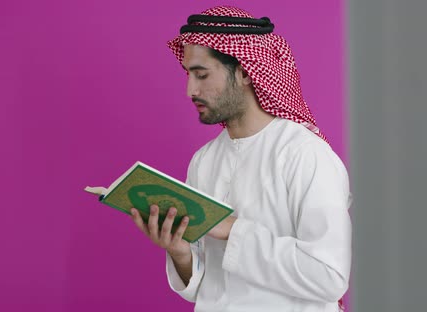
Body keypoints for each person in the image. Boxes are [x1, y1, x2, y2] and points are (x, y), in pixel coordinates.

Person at [129, 6, 352, 312]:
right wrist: (181, 254)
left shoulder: (304, 153)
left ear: (246, 72)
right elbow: (207, 286)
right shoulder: (203, 161)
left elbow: (329, 276)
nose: (190, 90)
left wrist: (232, 229)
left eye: (201, 75)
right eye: (188, 75)